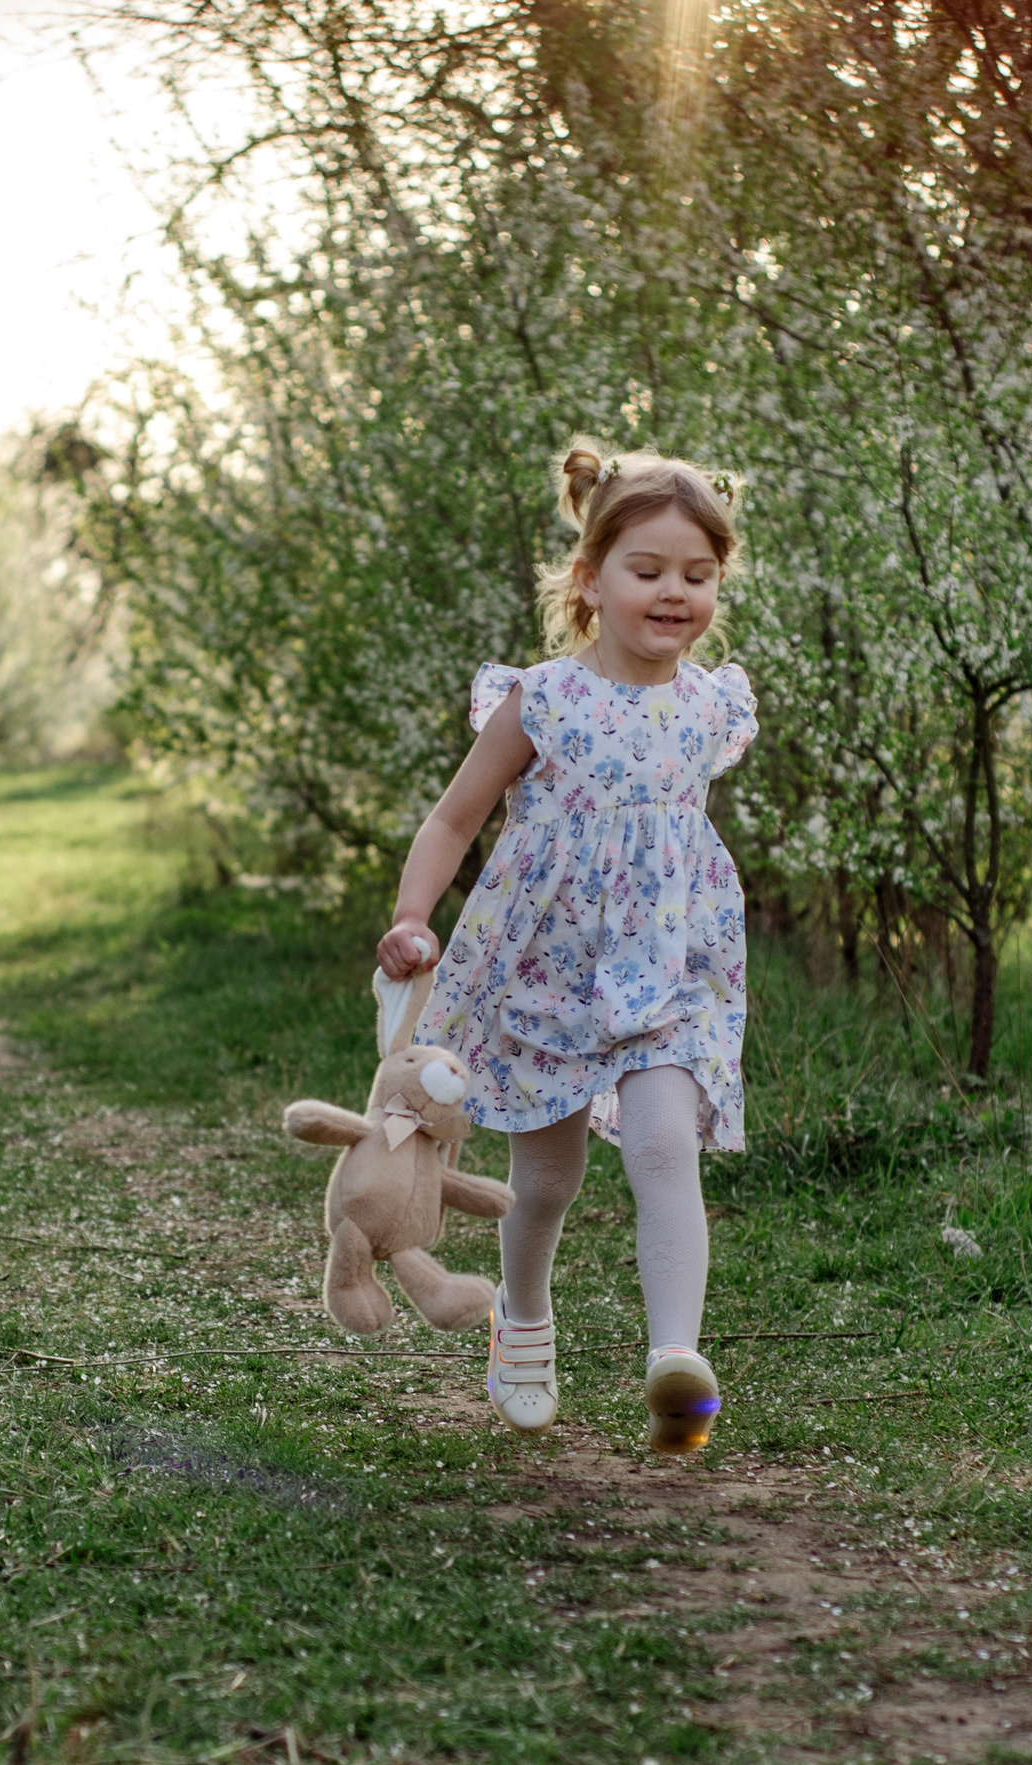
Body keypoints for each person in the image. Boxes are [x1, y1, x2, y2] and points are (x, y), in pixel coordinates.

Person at [377, 441, 758, 1455]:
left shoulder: (712, 703)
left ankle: (677, 1361)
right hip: (546, 971)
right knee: (543, 1182)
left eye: (697, 573)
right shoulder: (540, 698)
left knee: (664, 1143)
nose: (674, 591)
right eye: (648, 570)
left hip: (669, 973)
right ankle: (524, 1316)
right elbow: (455, 818)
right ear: (590, 579)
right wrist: (414, 918)